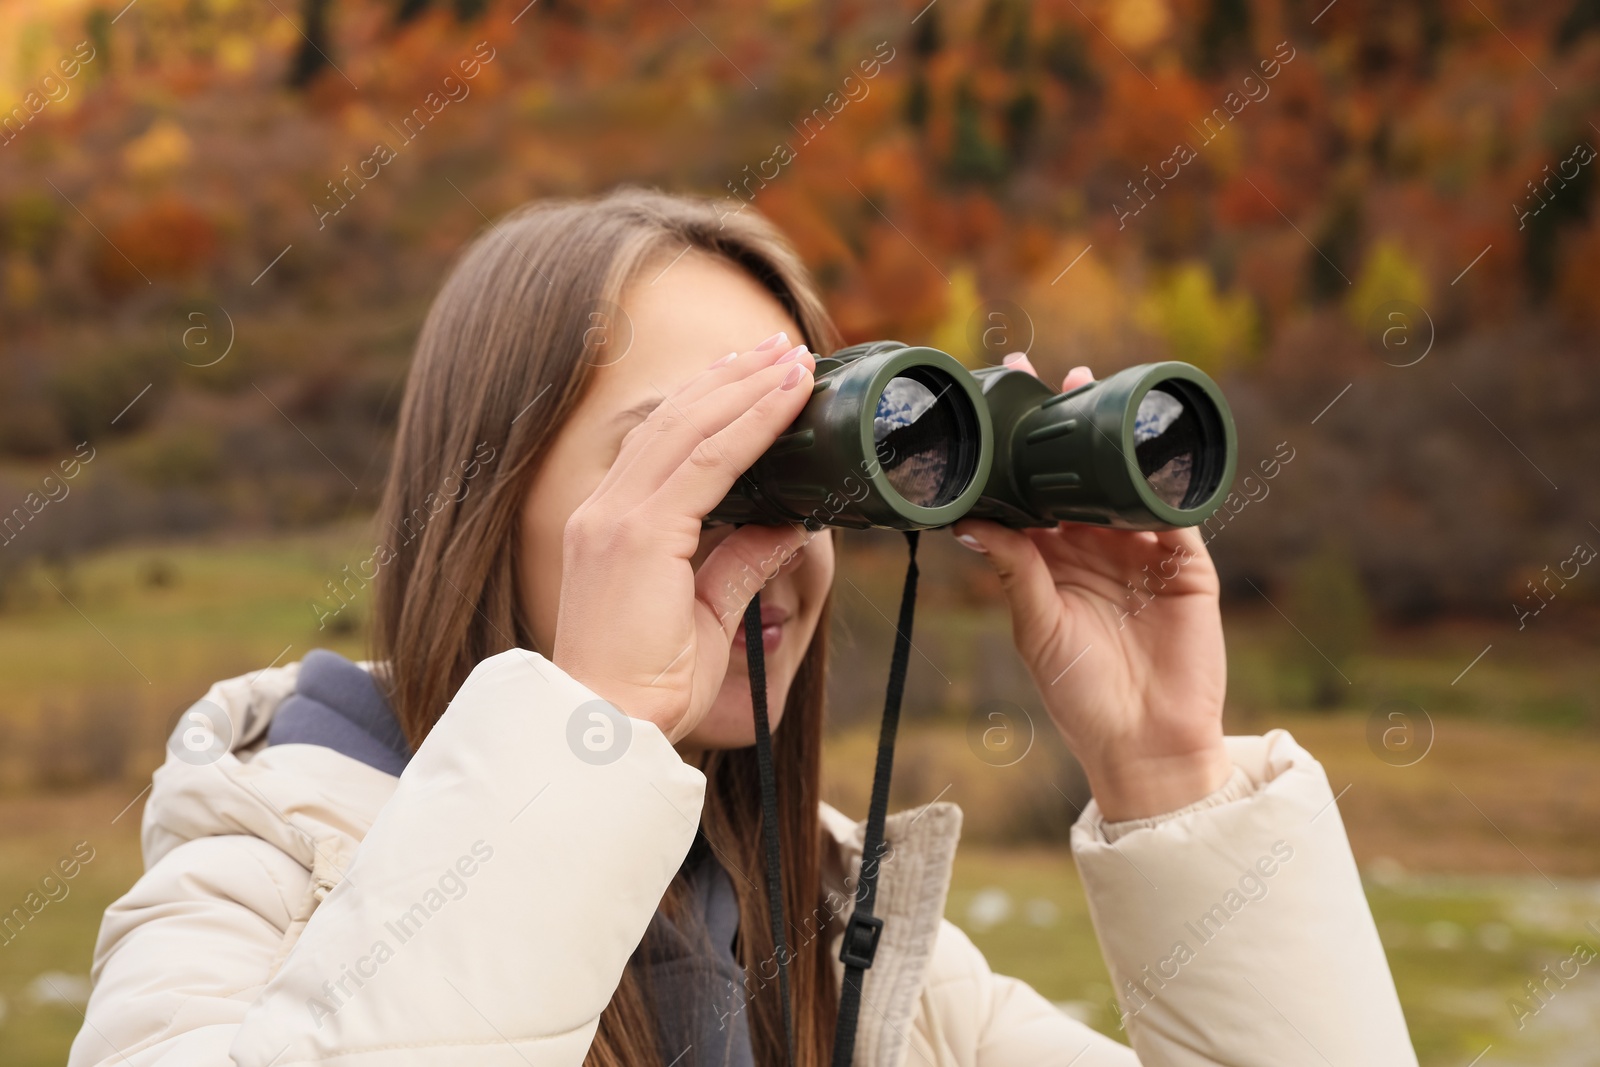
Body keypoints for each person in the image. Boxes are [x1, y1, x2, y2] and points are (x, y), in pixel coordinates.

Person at [69, 188, 1417, 1067]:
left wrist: (1170, 775)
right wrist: (580, 746)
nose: (761, 542)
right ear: (486, 508)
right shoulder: (249, 880)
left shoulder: (856, 946)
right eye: (698, 467)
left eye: (792, 472)